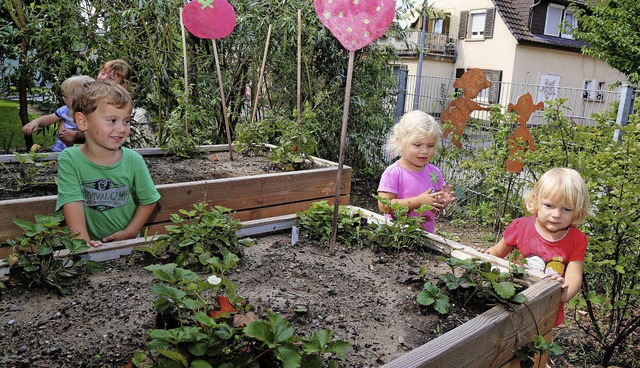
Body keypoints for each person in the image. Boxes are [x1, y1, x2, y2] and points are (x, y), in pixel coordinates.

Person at [478, 167, 591, 326]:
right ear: (536, 201)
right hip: (513, 299)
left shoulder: (576, 240)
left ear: (577, 211)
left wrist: (565, 292)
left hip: (546, 307)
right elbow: (497, 252)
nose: (556, 214)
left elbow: (574, 275)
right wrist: (485, 256)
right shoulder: (520, 227)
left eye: (566, 209)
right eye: (549, 205)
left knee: (540, 343)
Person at [55, 80, 161, 247]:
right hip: (89, 249)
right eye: (112, 120)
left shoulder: (134, 160)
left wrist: (130, 232)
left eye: (126, 121)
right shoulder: (69, 159)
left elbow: (149, 200)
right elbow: (72, 202)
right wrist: (82, 242)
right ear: (83, 122)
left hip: (129, 248)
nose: (121, 128)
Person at [377, 110, 455, 233]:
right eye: (418, 145)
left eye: (430, 146)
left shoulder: (434, 172)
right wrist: (419, 201)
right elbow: (384, 206)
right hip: (397, 237)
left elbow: (434, 201)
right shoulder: (393, 173)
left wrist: (441, 200)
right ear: (400, 142)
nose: (424, 151)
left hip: (426, 238)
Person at [22, 75, 95, 152]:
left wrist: (75, 135)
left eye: (65, 96)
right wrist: (36, 122)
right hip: (60, 151)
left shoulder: (91, 115)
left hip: (79, 154)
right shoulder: (65, 110)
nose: (63, 98)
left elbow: (93, 134)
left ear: (77, 99)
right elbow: (50, 118)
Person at [96, 59, 156, 148]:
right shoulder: (89, 105)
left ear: (122, 85)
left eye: (111, 78)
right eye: (103, 73)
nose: (103, 79)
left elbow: (145, 147)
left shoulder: (138, 115)